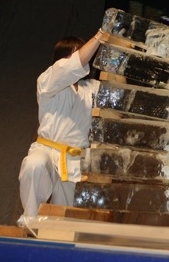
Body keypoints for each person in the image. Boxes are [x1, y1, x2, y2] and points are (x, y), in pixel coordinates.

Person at [17, 29, 105, 227]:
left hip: (75, 159)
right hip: (47, 150)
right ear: (62, 60)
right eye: (75, 54)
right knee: (35, 164)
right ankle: (30, 219)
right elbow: (72, 66)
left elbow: (118, 90)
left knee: (65, 221)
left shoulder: (91, 88)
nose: (82, 58)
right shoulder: (47, 81)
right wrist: (100, 35)